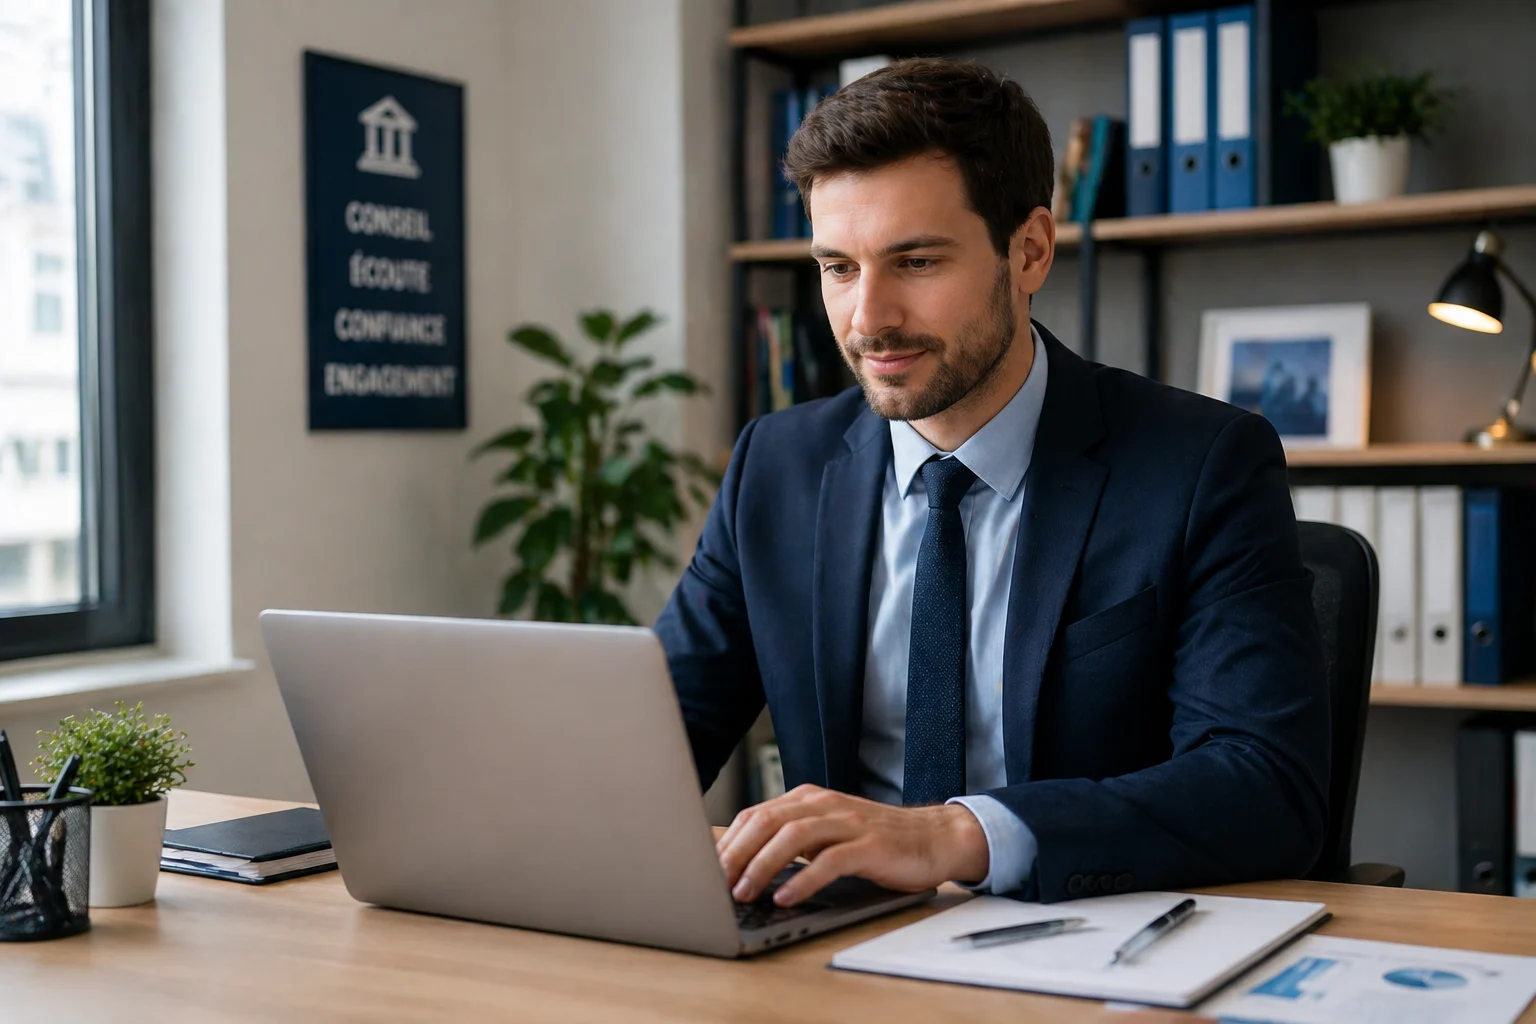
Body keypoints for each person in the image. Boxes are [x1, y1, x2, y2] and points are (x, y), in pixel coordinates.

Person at [653, 57, 1329, 908]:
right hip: (831, 940)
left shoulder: (1202, 464)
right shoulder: (776, 466)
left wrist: (954, 836)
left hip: (1085, 937)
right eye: (839, 268)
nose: (868, 319)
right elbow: (651, 743)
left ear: (1030, 250)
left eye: (916, 262)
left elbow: (1266, 784)